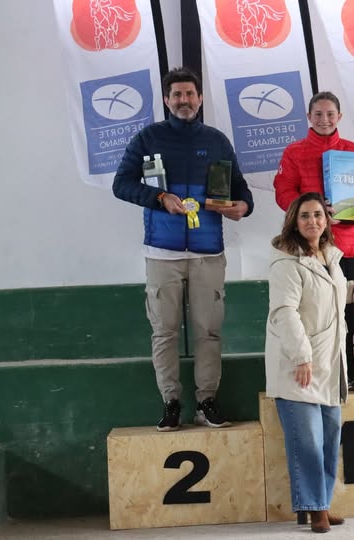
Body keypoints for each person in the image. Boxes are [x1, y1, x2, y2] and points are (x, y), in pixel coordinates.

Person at [112, 67, 254, 432]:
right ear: (166, 99)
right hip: (162, 252)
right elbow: (121, 184)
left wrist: (244, 206)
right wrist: (160, 197)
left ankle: (207, 401)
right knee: (165, 333)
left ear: (200, 98)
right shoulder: (148, 138)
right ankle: (171, 402)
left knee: (209, 331)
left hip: (208, 253)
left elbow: (240, 189)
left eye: (190, 94)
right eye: (176, 94)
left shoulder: (217, 141)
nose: (184, 100)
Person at [264, 192, 354, 533]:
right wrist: (301, 357)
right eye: (305, 215)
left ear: (327, 221)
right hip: (300, 366)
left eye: (318, 215)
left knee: (328, 438)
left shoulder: (330, 257)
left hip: (330, 364)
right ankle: (315, 509)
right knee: (307, 442)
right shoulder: (286, 262)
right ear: (294, 221)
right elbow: (284, 312)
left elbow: (337, 292)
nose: (313, 221)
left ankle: (319, 502)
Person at [273, 91, 354, 387]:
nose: (324, 120)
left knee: (348, 312)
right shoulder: (294, 152)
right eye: (318, 114)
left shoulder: (352, 151)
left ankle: (348, 377)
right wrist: (315, 211)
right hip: (309, 249)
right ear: (308, 117)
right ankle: (315, 374)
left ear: (339, 117)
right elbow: (283, 192)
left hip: (347, 247)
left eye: (330, 114)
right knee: (312, 313)